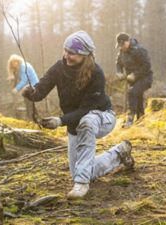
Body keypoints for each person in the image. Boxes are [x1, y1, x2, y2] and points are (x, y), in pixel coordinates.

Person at [22, 31, 134, 199]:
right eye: (65, 50)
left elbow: (86, 109)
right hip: (75, 124)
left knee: (87, 122)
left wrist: (60, 121)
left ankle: (82, 185)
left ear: (84, 55)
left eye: (72, 53)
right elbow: (41, 89)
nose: (67, 56)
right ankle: (119, 153)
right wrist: (32, 93)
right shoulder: (59, 68)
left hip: (102, 117)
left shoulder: (96, 73)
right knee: (81, 171)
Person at [115, 32, 153, 127]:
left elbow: (147, 66)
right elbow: (118, 64)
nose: (122, 47)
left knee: (132, 93)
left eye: (123, 45)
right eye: (120, 45)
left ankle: (130, 120)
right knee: (138, 99)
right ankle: (141, 122)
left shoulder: (139, 50)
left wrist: (135, 75)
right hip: (133, 81)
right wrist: (119, 72)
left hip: (145, 78)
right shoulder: (121, 52)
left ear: (128, 42)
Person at [7, 54, 39, 121]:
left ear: (17, 61)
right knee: (30, 103)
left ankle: (30, 119)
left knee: (29, 103)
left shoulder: (23, 66)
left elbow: (24, 80)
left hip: (33, 86)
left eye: (14, 63)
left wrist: (16, 89)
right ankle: (35, 118)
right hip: (32, 86)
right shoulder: (23, 65)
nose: (13, 65)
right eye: (12, 64)